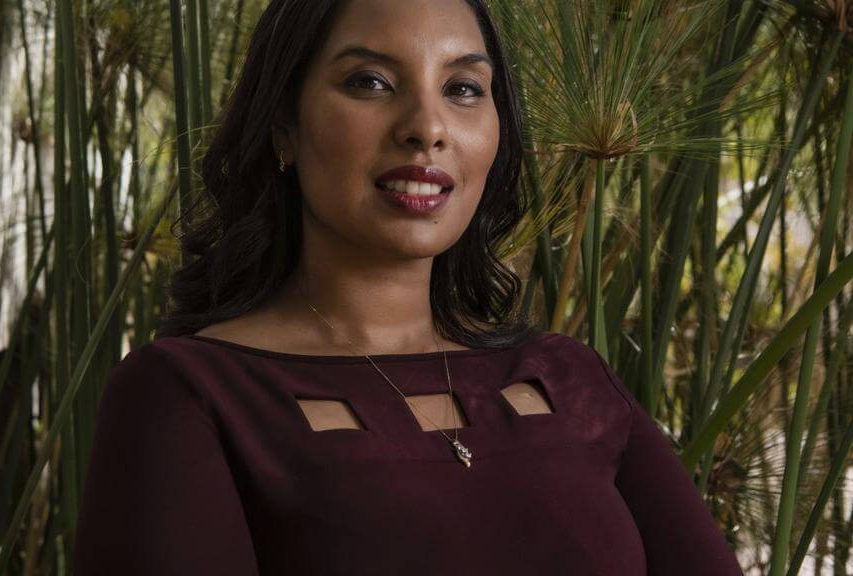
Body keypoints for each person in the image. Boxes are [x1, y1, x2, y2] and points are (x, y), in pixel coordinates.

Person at [73, 0, 745, 574]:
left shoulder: (569, 379)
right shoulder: (191, 396)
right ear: (284, 124)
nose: (427, 127)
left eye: (462, 89)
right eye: (368, 81)